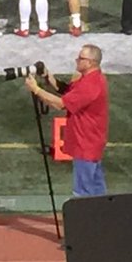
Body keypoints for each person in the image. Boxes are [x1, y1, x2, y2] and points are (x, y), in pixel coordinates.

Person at [24, 44, 108, 196]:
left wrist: (36, 90)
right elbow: (67, 90)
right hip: (92, 143)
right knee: (97, 189)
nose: (76, 60)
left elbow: (61, 104)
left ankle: (85, 219)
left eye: (80, 58)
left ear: (90, 62)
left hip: (86, 145)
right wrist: (48, 77)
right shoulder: (91, 79)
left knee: (83, 192)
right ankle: (103, 218)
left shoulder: (90, 85)